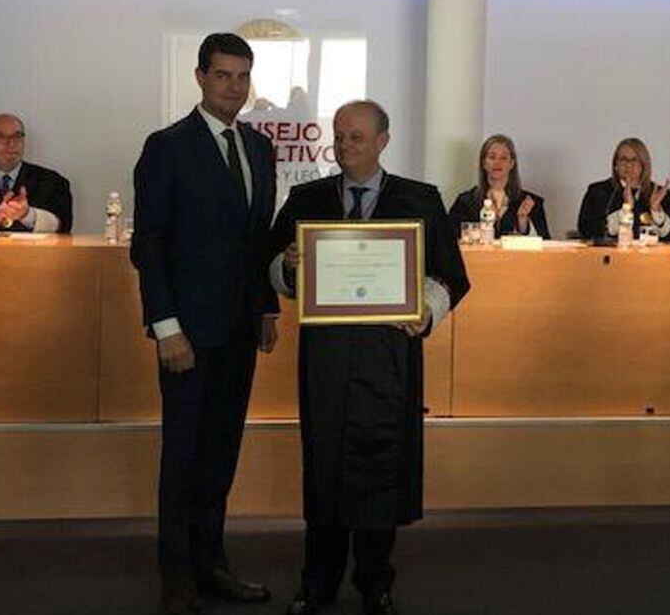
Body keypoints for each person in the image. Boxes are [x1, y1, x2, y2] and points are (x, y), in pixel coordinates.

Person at [268, 100, 469, 615]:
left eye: (356, 137)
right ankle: (318, 582)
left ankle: (376, 580)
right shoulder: (306, 198)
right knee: (326, 464)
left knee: (383, 466)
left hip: (389, 355)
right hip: (327, 359)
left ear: (383, 140)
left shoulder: (420, 200)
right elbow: (270, 267)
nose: (345, 146)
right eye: (338, 136)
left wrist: (424, 311)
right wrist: (289, 267)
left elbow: (451, 275)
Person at [130, 33, 279, 615]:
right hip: (186, 333)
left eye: (243, 77)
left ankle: (212, 563)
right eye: (223, 75)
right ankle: (176, 573)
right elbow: (150, 244)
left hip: (240, 328)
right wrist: (166, 328)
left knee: (222, 453)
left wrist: (267, 304)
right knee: (183, 454)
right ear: (199, 77)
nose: (234, 87)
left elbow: (257, 239)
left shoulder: (260, 149)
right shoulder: (167, 146)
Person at [577, 137, 670, 243]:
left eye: (634, 160)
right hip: (610, 257)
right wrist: (625, 210)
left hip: (649, 258)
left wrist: (655, 210)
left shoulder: (659, 193)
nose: (628, 165)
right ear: (615, 165)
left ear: (644, 165)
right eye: (623, 159)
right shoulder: (598, 192)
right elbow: (586, 231)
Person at [448, 133, 551, 240]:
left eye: (504, 158)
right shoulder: (465, 202)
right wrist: (484, 227)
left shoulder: (531, 203)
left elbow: (546, 245)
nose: (497, 162)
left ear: (511, 164)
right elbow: (448, 241)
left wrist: (523, 222)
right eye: (492, 157)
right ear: (483, 163)